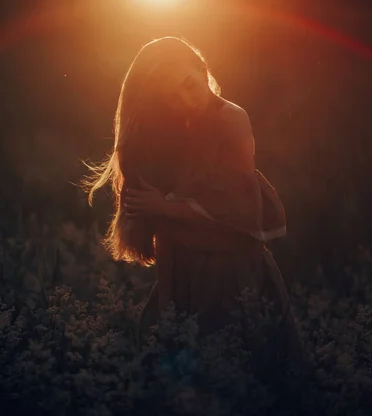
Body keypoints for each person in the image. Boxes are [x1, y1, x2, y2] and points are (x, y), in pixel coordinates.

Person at [84, 36, 303, 373]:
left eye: (188, 85)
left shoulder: (231, 118)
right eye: (171, 97)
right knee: (180, 381)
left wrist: (165, 206)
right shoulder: (175, 128)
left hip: (230, 272)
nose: (186, 101)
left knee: (237, 376)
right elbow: (160, 225)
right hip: (181, 271)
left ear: (202, 70)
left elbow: (239, 211)